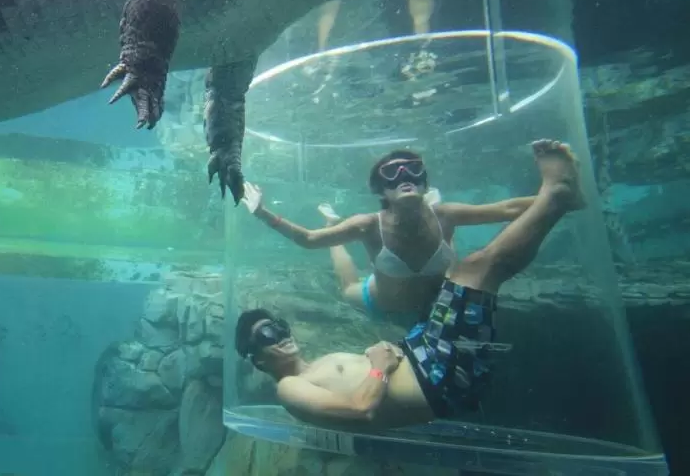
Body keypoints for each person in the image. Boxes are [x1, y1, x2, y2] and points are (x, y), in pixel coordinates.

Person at [234, 140, 585, 429]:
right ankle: (556, 196)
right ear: (257, 360)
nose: (282, 335)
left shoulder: (318, 366)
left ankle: (558, 199)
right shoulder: (290, 389)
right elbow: (361, 410)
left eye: (278, 327)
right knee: (478, 268)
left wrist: (386, 356)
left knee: (473, 270)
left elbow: (506, 207)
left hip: (424, 349)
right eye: (268, 336)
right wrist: (378, 365)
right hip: (437, 379)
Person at [241, 149, 537, 320]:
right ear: (381, 190)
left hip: (437, 299)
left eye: (412, 172)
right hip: (379, 301)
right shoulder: (368, 224)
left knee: (445, 233)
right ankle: (333, 222)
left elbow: (508, 208)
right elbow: (309, 239)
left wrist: (557, 196)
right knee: (347, 287)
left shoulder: (446, 214)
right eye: (392, 175)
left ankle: (428, 210)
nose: (404, 178)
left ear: (423, 182)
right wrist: (262, 212)